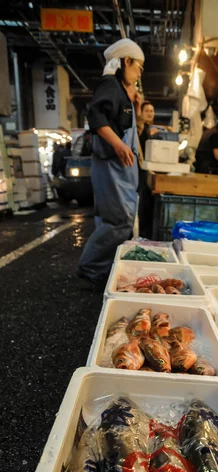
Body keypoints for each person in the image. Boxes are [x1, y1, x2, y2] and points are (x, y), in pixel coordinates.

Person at [76, 38, 144, 287]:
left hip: (119, 169)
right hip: (112, 165)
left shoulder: (122, 92)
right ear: (126, 61)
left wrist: (135, 107)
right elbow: (95, 115)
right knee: (119, 221)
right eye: (138, 67)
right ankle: (91, 267)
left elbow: (124, 127)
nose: (139, 73)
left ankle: (102, 269)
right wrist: (118, 144)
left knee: (115, 219)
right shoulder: (110, 84)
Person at [138, 101, 156, 238]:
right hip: (140, 170)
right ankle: (143, 233)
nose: (150, 113)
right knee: (144, 203)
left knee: (148, 202)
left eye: (152, 111)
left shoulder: (150, 129)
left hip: (148, 169)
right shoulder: (141, 129)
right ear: (141, 113)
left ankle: (147, 233)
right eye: (147, 111)